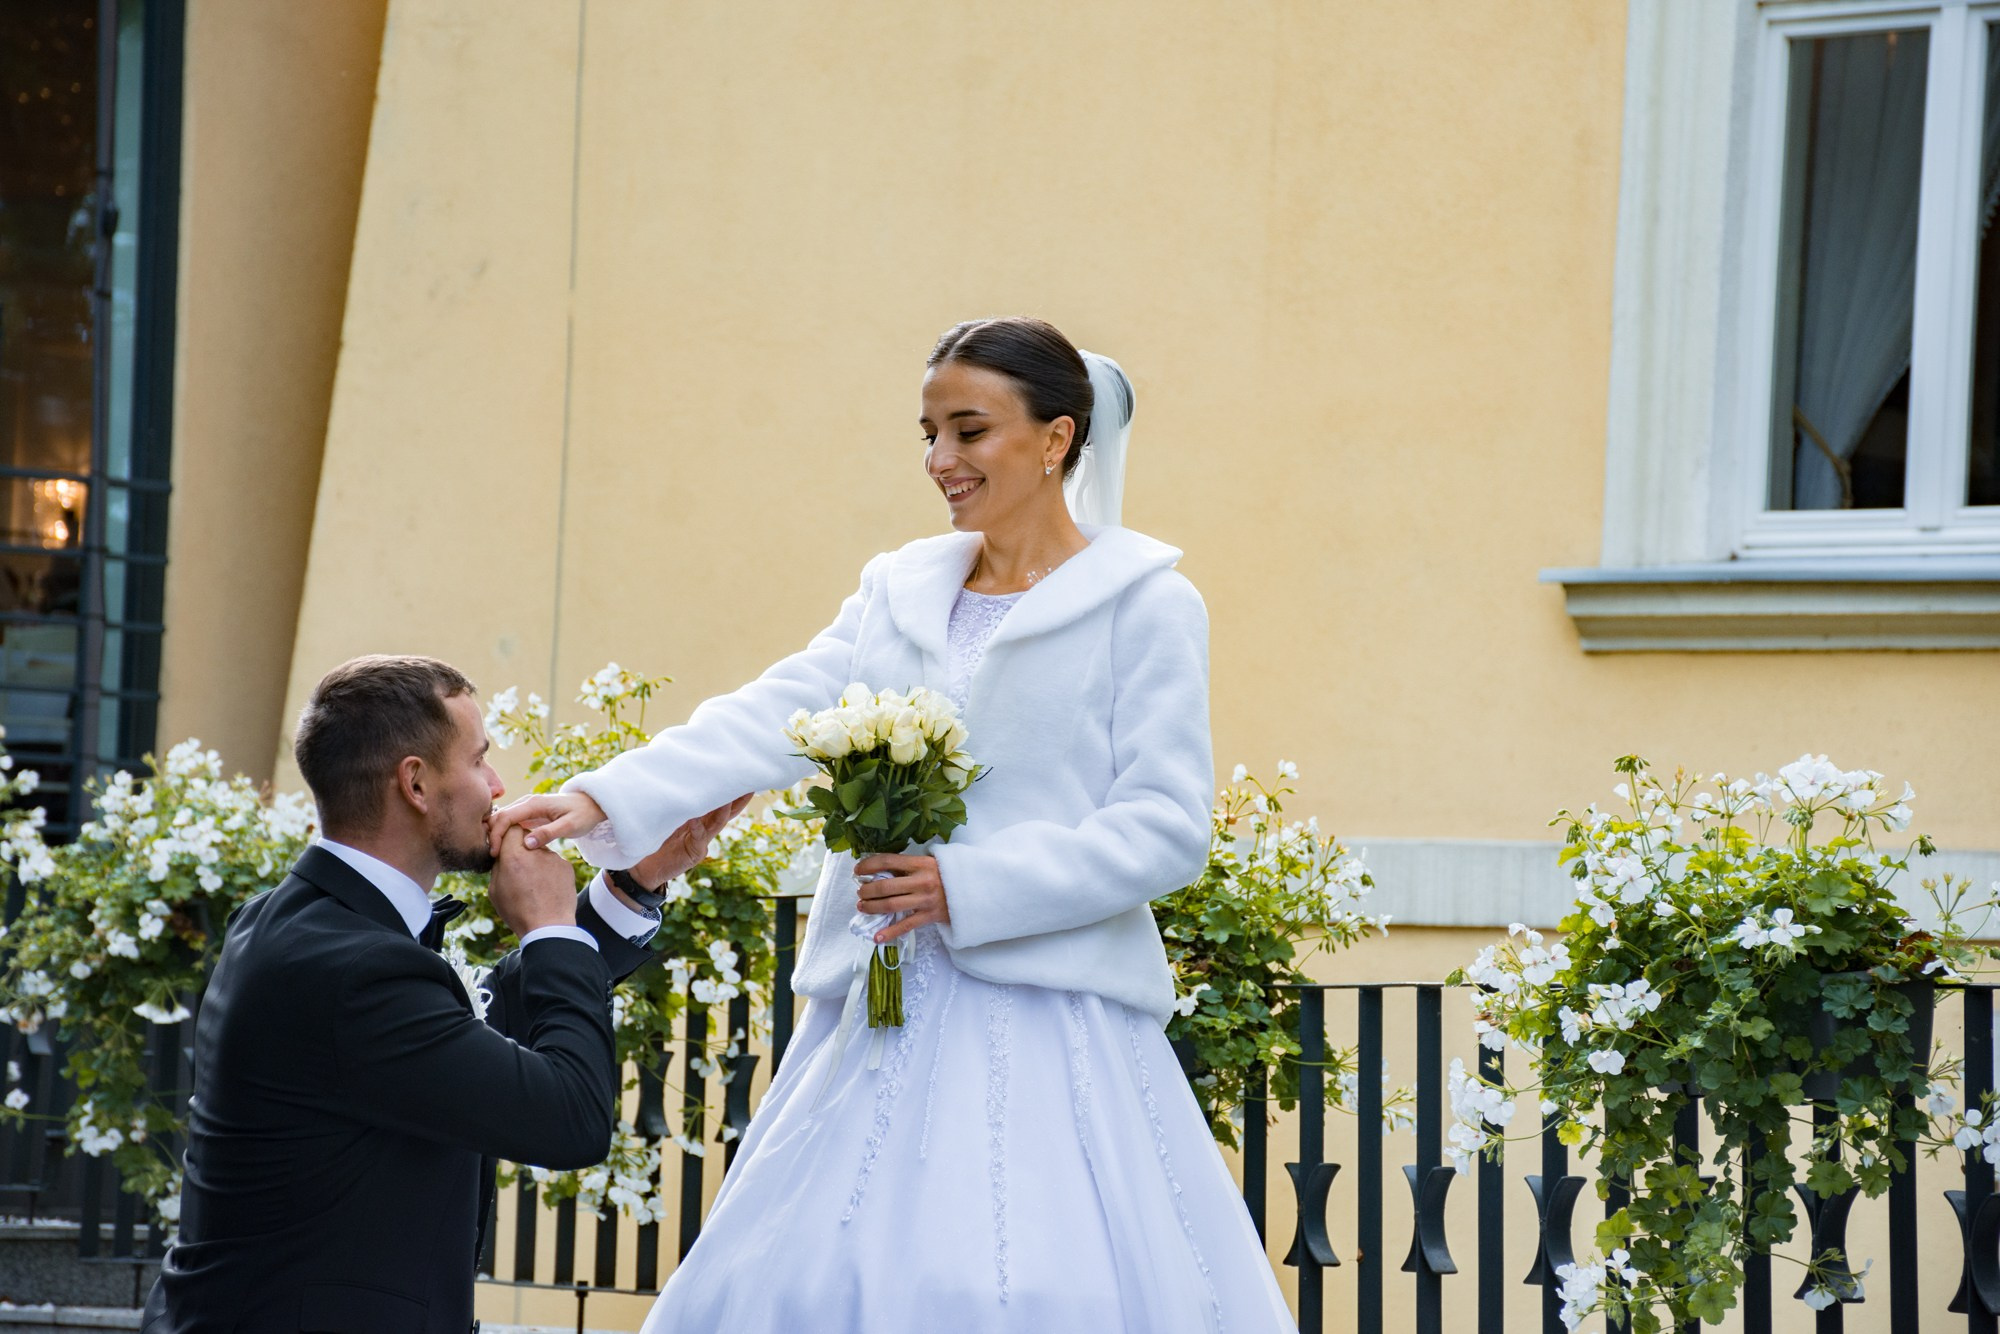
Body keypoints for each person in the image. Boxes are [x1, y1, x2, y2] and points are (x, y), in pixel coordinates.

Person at [490, 318, 1296, 1333]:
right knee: (812, 1280)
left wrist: (968, 886)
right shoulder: (898, 588)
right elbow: (775, 711)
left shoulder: (1147, 604)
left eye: (968, 431)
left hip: (1049, 1017)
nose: (939, 461)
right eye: (926, 433)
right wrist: (605, 796)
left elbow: (1165, 827)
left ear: (1054, 438)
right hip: (873, 1007)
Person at [140, 654, 745, 1334]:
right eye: (479, 760)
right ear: (417, 783)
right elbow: (570, 1119)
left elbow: (470, 1030)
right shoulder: (348, 968)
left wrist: (632, 885)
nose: (497, 785)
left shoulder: (308, 923)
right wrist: (549, 928)